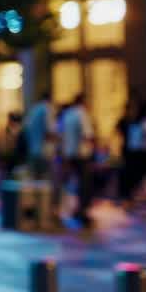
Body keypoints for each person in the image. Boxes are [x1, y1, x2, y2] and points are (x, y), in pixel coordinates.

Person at [58, 95, 95, 226]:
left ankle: (70, 210)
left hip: (69, 155)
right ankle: (82, 212)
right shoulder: (82, 113)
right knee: (85, 184)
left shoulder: (67, 115)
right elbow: (88, 135)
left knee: (72, 184)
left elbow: (60, 135)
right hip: (82, 154)